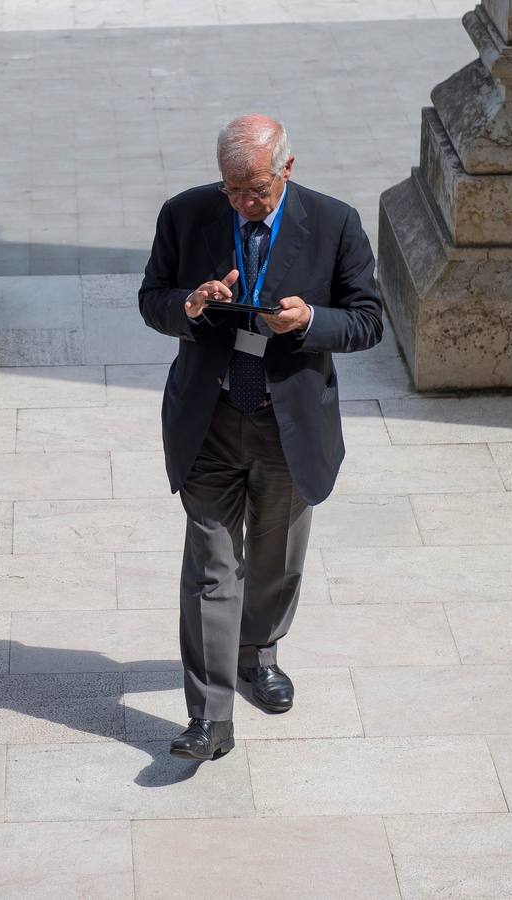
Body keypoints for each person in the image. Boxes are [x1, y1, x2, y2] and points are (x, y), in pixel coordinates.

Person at [138, 114, 383, 761]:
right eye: (232, 190)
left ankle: (258, 653)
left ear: (287, 170)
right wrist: (188, 307)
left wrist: (310, 321)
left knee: (274, 564)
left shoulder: (334, 224)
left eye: (256, 190)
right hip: (210, 419)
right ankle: (209, 720)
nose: (243, 204)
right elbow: (151, 299)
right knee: (211, 569)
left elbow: (368, 320)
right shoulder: (185, 215)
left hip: (288, 425)